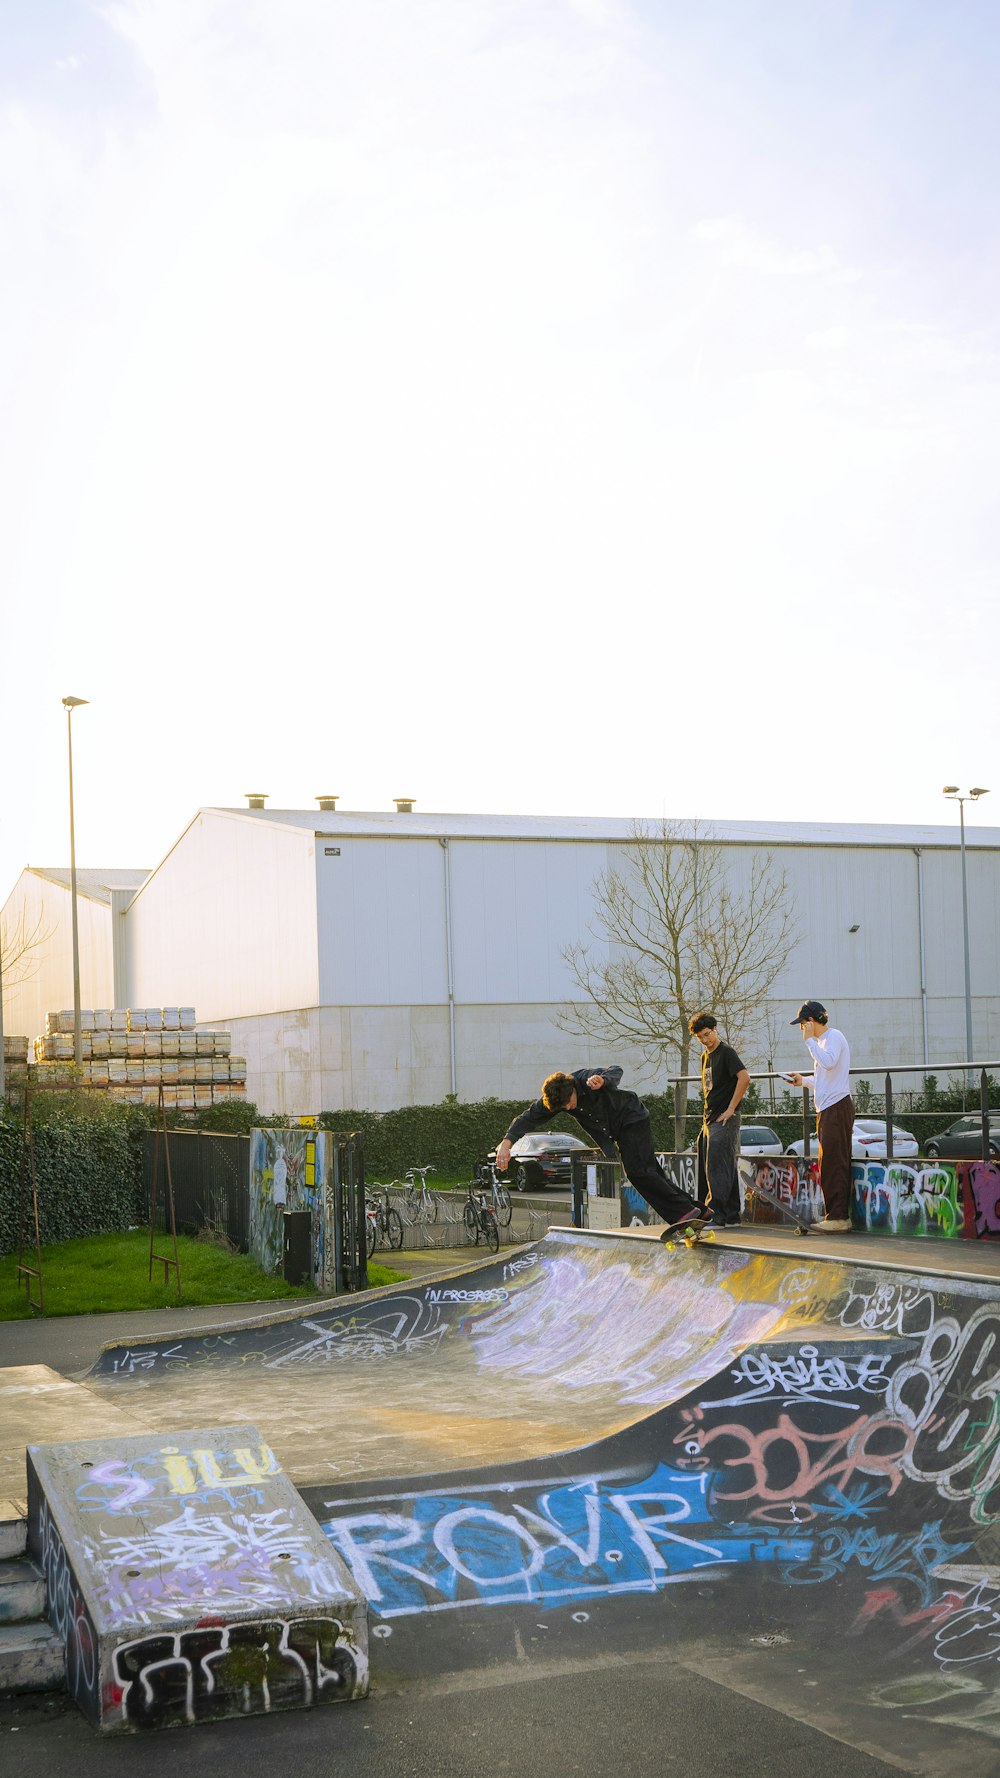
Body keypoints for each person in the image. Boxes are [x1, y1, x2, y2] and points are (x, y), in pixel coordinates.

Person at [495, 1066, 703, 1230]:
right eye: (563, 1108)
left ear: (573, 1090)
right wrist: (506, 1145)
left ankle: (681, 1215)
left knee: (637, 1172)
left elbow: (615, 1070)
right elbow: (528, 1118)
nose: (568, 1108)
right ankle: (698, 1211)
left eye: (568, 1103)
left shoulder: (585, 1078)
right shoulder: (558, 1097)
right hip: (619, 1131)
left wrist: (603, 1080)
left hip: (632, 1117)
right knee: (651, 1172)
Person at [787, 1000, 854, 1233]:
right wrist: (803, 1081)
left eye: (803, 1024)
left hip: (836, 1107)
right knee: (830, 1162)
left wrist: (809, 1042)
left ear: (811, 1022)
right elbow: (825, 1079)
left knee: (834, 1163)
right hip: (829, 1107)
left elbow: (829, 1062)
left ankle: (838, 1217)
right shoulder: (824, 1041)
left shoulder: (832, 1037)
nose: (801, 1029)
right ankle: (836, 1215)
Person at [688, 1012, 750, 1226]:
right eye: (701, 1038)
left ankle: (717, 1215)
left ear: (715, 1029)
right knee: (719, 1164)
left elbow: (744, 1077)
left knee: (716, 1167)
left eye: (707, 1034)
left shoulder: (726, 1053)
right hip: (709, 1118)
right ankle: (732, 1215)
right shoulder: (705, 1056)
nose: (705, 1040)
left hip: (724, 1117)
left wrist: (731, 1108)